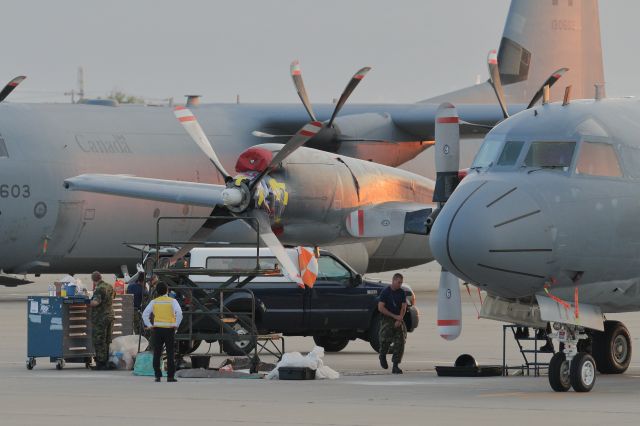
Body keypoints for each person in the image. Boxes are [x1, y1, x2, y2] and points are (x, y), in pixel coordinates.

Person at [142, 281, 183, 382]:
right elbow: (180, 313)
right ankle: (170, 376)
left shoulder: (154, 302)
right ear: (167, 290)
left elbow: (144, 315)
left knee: (157, 352)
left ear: (157, 291)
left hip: (157, 330)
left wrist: (150, 325)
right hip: (169, 329)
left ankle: (157, 375)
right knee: (170, 353)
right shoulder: (172, 301)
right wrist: (176, 325)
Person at [377, 273, 407, 374]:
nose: (400, 284)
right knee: (385, 339)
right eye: (399, 282)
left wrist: (400, 319)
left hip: (398, 318)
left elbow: (403, 307)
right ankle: (382, 355)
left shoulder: (402, 292)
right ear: (393, 281)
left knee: (400, 341)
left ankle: (395, 365)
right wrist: (395, 317)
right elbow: (380, 308)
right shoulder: (386, 292)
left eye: (401, 283)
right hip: (387, 317)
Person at [89, 271, 115, 370]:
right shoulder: (109, 286)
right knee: (107, 340)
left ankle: (101, 363)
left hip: (101, 318)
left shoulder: (99, 289)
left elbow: (96, 302)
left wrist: (88, 301)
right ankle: (106, 361)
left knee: (99, 340)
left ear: (93, 280)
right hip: (110, 315)